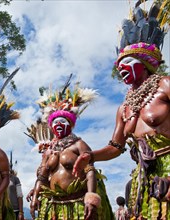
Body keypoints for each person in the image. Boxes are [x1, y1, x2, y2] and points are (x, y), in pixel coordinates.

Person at [73, 2, 170, 219]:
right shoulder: (124, 108)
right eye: (119, 65)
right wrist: (91, 156)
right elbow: (115, 146)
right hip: (144, 180)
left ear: (144, 62)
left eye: (127, 62)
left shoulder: (165, 85)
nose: (121, 68)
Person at [29, 82, 113, 220]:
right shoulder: (48, 151)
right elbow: (42, 177)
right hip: (54, 206)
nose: (58, 124)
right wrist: (35, 196)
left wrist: (90, 198)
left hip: (77, 204)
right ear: (51, 127)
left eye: (62, 121)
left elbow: (90, 171)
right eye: (55, 122)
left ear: (71, 124)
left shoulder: (79, 144)